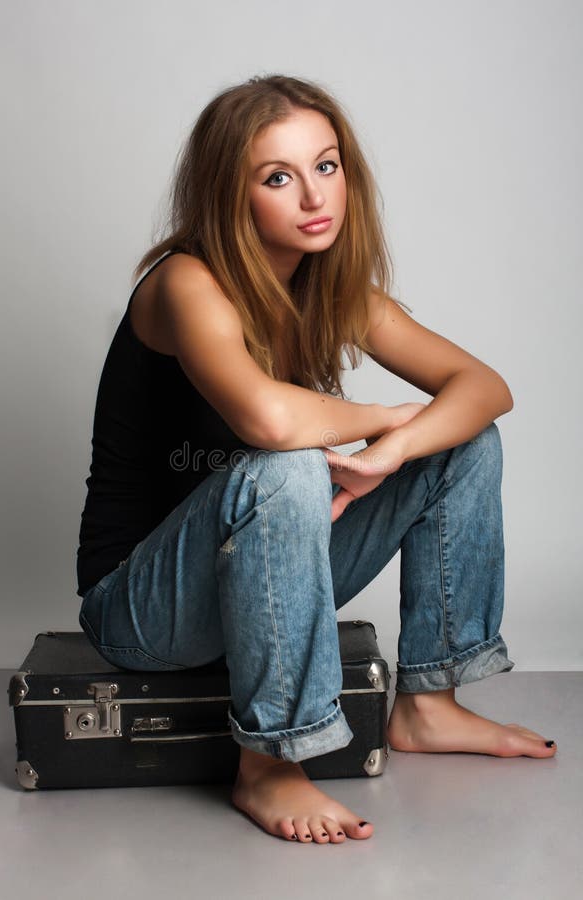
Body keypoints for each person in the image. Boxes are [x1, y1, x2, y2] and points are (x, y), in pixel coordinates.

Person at [76, 73, 556, 845]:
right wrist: (388, 418)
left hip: (262, 579)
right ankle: (271, 764)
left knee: (461, 441)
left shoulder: (331, 289)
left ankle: (428, 705)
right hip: (141, 609)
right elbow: (268, 419)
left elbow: (484, 388)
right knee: (291, 463)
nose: (312, 196)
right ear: (231, 196)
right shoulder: (185, 282)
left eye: (325, 165)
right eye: (278, 177)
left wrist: (396, 450)